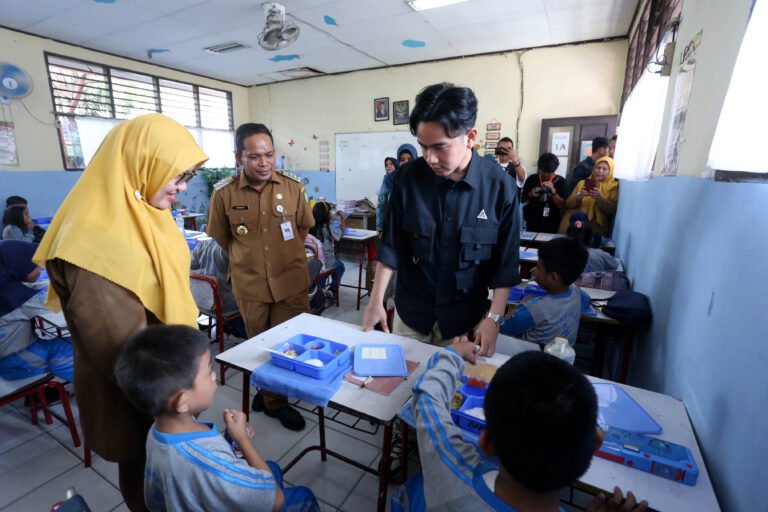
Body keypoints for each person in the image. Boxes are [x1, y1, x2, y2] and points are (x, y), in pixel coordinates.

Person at [33, 113, 208, 511]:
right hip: (140, 396)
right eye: (177, 177)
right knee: (150, 483)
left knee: (165, 477)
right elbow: (119, 349)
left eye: (186, 178)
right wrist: (178, 400)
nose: (181, 189)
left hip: (167, 381)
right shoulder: (94, 240)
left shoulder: (145, 215)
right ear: (142, 161)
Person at [363, 82, 520, 357]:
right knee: (399, 383)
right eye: (423, 147)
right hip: (411, 314)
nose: (430, 158)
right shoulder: (406, 179)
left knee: (449, 390)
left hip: (462, 321)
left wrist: (494, 319)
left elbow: (505, 264)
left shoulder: (499, 188)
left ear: (469, 137)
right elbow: (391, 247)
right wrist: (376, 301)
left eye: (440, 147)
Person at [405, 345, 648, 511]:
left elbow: (428, 399)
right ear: (596, 441)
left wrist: (452, 354)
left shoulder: (451, 469)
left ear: (486, 442)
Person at [114, 324, 320, 512]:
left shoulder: (157, 431)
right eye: (209, 371)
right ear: (182, 401)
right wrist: (243, 441)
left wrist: (231, 440)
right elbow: (276, 501)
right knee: (303, 496)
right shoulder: (207, 463)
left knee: (272, 468)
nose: (214, 376)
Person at [206, 122, 314, 432]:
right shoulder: (224, 193)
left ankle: (270, 394)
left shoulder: (292, 187)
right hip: (250, 284)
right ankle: (274, 402)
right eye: (255, 156)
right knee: (261, 344)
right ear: (239, 157)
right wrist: (251, 258)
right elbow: (222, 237)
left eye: (269, 154)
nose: (264, 162)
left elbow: (303, 228)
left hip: (290, 282)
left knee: (289, 344)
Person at [0, 240, 73, 383]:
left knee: (64, 341)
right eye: (37, 265)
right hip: (10, 362)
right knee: (66, 350)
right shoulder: (13, 296)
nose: (40, 270)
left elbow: (29, 289)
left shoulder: (5, 285)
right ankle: (91, 393)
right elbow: (54, 303)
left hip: (8, 356)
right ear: (21, 265)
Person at [500, 237, 590, 345]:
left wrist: (520, 306)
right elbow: (587, 300)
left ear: (553, 277)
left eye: (538, 267)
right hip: (562, 357)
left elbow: (503, 328)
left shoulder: (532, 308)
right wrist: (541, 276)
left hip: (528, 357)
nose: (534, 270)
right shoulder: (577, 294)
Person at [190, 238, 247, 338]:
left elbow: (192, 265)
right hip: (225, 305)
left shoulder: (202, 245)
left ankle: (228, 327)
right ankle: (239, 331)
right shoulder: (230, 250)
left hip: (203, 303)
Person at [561, 156, 619, 243]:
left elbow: (611, 209)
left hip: (596, 227)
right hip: (574, 223)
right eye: (598, 168)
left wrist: (599, 198)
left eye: (604, 169)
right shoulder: (582, 183)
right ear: (594, 168)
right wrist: (579, 196)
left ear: (610, 171)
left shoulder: (613, 187)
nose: (600, 171)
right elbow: (568, 203)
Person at [521, 152, 568, 233]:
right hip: (533, 222)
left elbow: (562, 205)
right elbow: (523, 199)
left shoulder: (561, 181)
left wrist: (553, 191)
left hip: (553, 222)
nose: (550, 175)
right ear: (540, 169)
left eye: (552, 172)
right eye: (547, 172)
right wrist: (531, 194)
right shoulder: (532, 179)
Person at [309, 201, 345, 293]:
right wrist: (342, 218)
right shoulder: (328, 228)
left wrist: (332, 218)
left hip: (313, 262)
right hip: (326, 261)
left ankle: (320, 288)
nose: (332, 213)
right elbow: (340, 235)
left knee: (322, 271)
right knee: (340, 266)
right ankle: (332, 290)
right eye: (330, 211)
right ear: (326, 215)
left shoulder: (311, 227)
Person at [376, 157, 398, 234]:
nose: (388, 166)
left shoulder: (402, 178)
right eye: (386, 165)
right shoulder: (386, 180)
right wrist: (380, 228)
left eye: (391, 164)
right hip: (390, 221)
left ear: (396, 164)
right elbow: (381, 204)